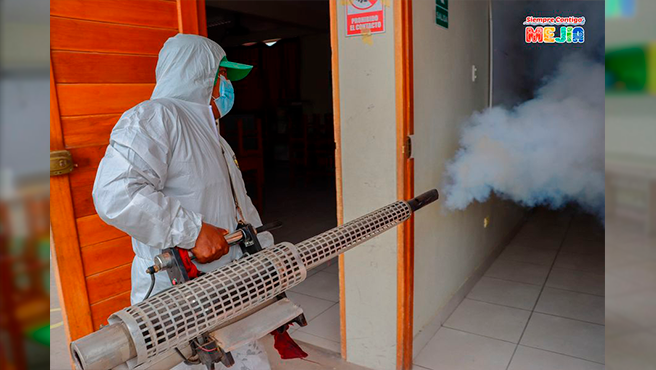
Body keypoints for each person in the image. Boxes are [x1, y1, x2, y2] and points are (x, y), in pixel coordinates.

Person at [92, 34, 272, 370]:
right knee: (184, 361)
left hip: (228, 284)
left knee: (245, 359)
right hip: (177, 290)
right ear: (201, 74)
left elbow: (238, 204)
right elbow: (116, 194)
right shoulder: (154, 117)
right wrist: (192, 231)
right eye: (222, 77)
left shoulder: (213, 137)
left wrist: (262, 249)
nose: (226, 87)